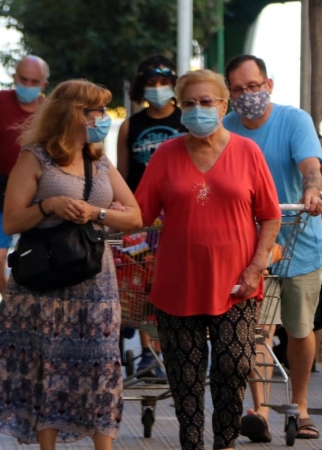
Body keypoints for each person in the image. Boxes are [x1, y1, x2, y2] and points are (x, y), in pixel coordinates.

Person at [0, 79, 143, 449]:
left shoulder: (99, 160)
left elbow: (135, 216)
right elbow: (11, 222)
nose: (103, 118)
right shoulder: (35, 157)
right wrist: (49, 206)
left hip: (95, 278)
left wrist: (99, 212)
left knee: (102, 365)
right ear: (73, 113)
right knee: (48, 366)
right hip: (46, 280)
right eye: (96, 111)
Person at [134, 69, 282, 450]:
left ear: (223, 105)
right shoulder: (165, 154)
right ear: (180, 108)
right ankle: (192, 443)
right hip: (177, 280)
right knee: (184, 374)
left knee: (233, 365)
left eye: (206, 102)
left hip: (237, 281)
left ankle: (226, 440)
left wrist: (256, 266)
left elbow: (270, 215)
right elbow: (140, 212)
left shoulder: (248, 152)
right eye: (189, 103)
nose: (197, 109)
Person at [223, 54, 322, 441]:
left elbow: (310, 167)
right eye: (238, 89)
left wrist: (311, 190)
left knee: (299, 328)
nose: (248, 95)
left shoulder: (293, 120)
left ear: (269, 85)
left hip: (297, 241)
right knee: (256, 330)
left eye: (254, 86)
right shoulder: (227, 128)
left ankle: (300, 406)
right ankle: (260, 409)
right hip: (249, 249)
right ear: (229, 95)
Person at [116, 55, 185, 379]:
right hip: (143, 215)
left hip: (179, 213)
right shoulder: (131, 126)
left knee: (173, 279)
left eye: (163, 83)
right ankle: (147, 352)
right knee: (141, 282)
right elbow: (123, 176)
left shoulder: (187, 120)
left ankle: (172, 346)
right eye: (151, 84)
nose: (157, 89)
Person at [0, 55, 50, 295]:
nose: (27, 85)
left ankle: (30, 304)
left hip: (36, 190)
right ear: (15, 78)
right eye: (23, 79)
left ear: (43, 84)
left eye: (33, 81)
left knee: (38, 255)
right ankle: (11, 301)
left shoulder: (48, 111)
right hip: (0, 187)